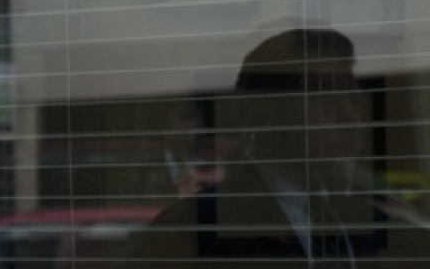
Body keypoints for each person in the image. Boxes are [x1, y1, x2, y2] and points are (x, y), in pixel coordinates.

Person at [127, 27, 430, 267]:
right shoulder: (191, 230)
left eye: (353, 101)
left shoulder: (386, 230)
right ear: (267, 115)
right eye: (327, 103)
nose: (351, 120)